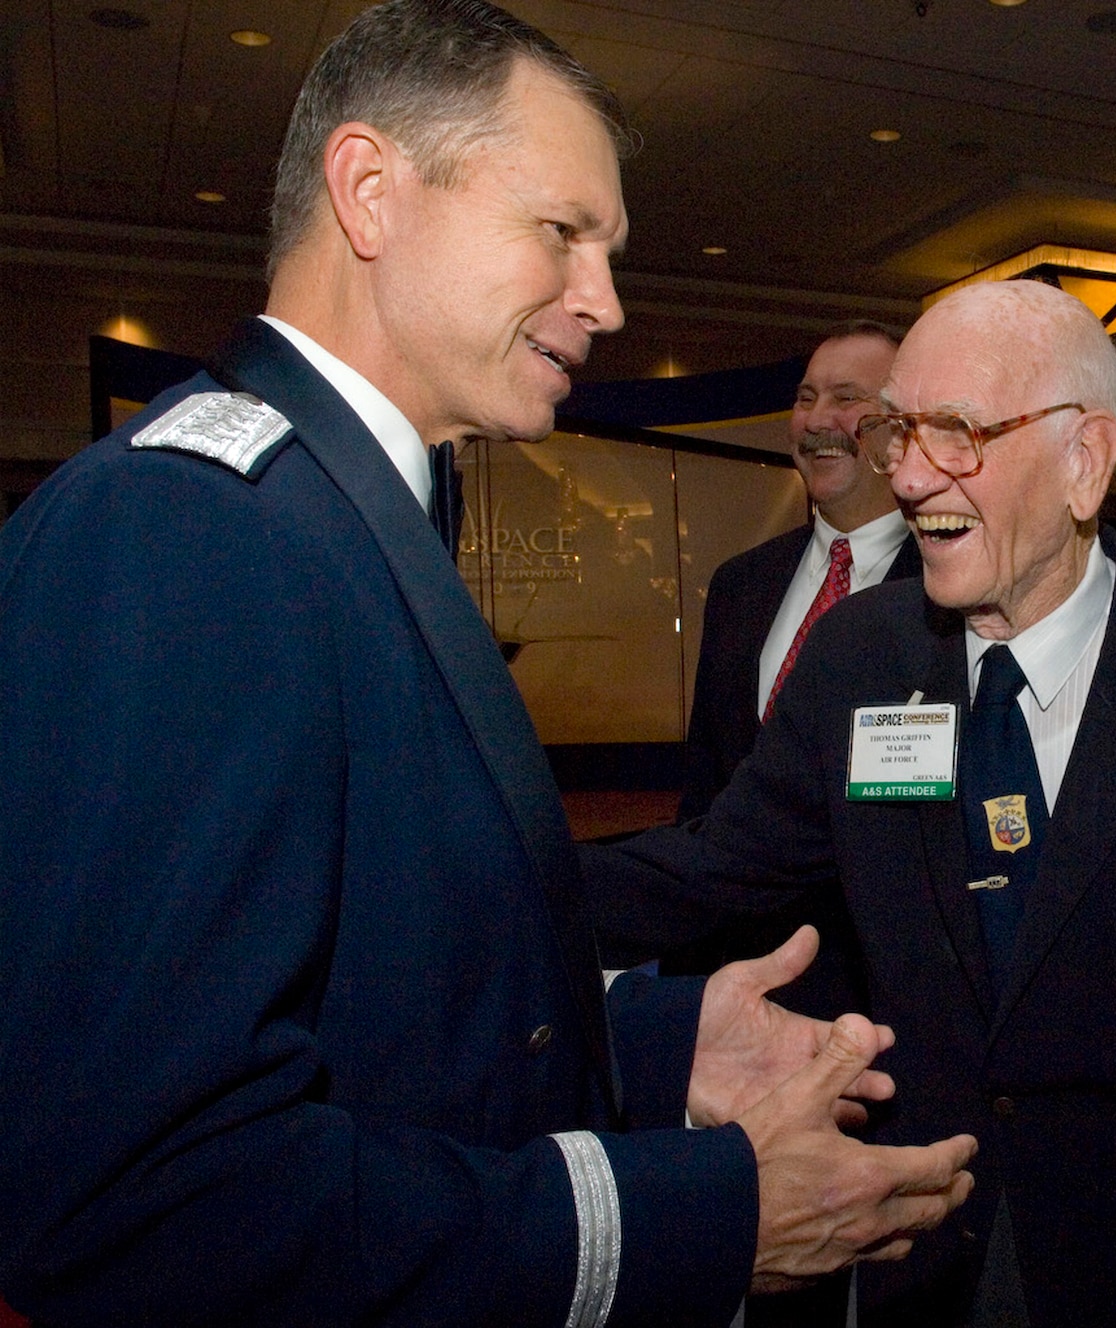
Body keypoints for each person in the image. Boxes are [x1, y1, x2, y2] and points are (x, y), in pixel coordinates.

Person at [0, 2, 974, 1322]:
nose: (607, 302)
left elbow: (384, 1009)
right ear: (369, 192)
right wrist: (693, 1214)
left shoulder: (337, 513)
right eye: (563, 233)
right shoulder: (190, 528)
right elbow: (149, 1199)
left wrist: (656, 1040)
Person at [586, 279, 1116, 1325]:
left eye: (954, 433)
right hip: (926, 1256)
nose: (908, 475)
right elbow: (706, 867)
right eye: (900, 430)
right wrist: (472, 884)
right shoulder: (859, 659)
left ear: (1083, 460)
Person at [679, 320, 921, 824]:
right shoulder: (739, 586)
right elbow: (705, 783)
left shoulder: (949, 590)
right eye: (805, 398)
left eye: (846, 398)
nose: (816, 421)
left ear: (902, 425)